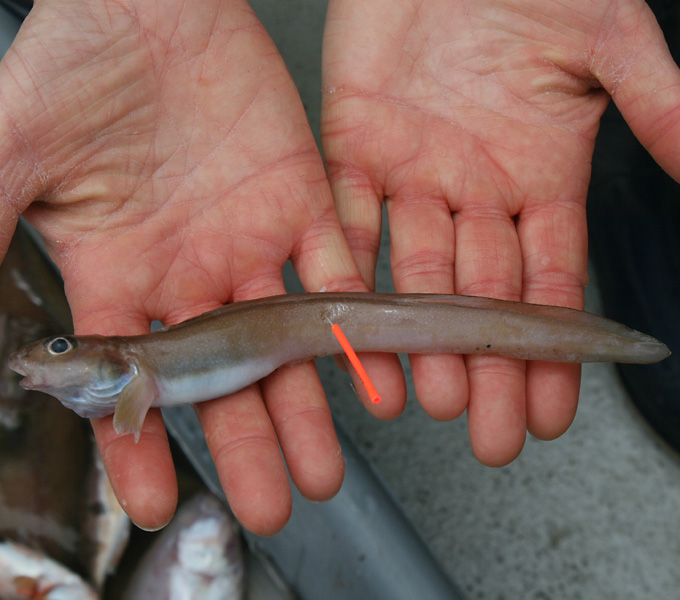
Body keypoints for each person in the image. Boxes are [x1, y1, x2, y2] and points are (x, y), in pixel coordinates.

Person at [0, 0, 678, 536]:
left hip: (323, 320)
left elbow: (126, 409)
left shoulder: (133, 377)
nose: (48, 359)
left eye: (61, 347)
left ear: (106, 355)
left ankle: (627, 207)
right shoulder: (134, 375)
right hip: (316, 320)